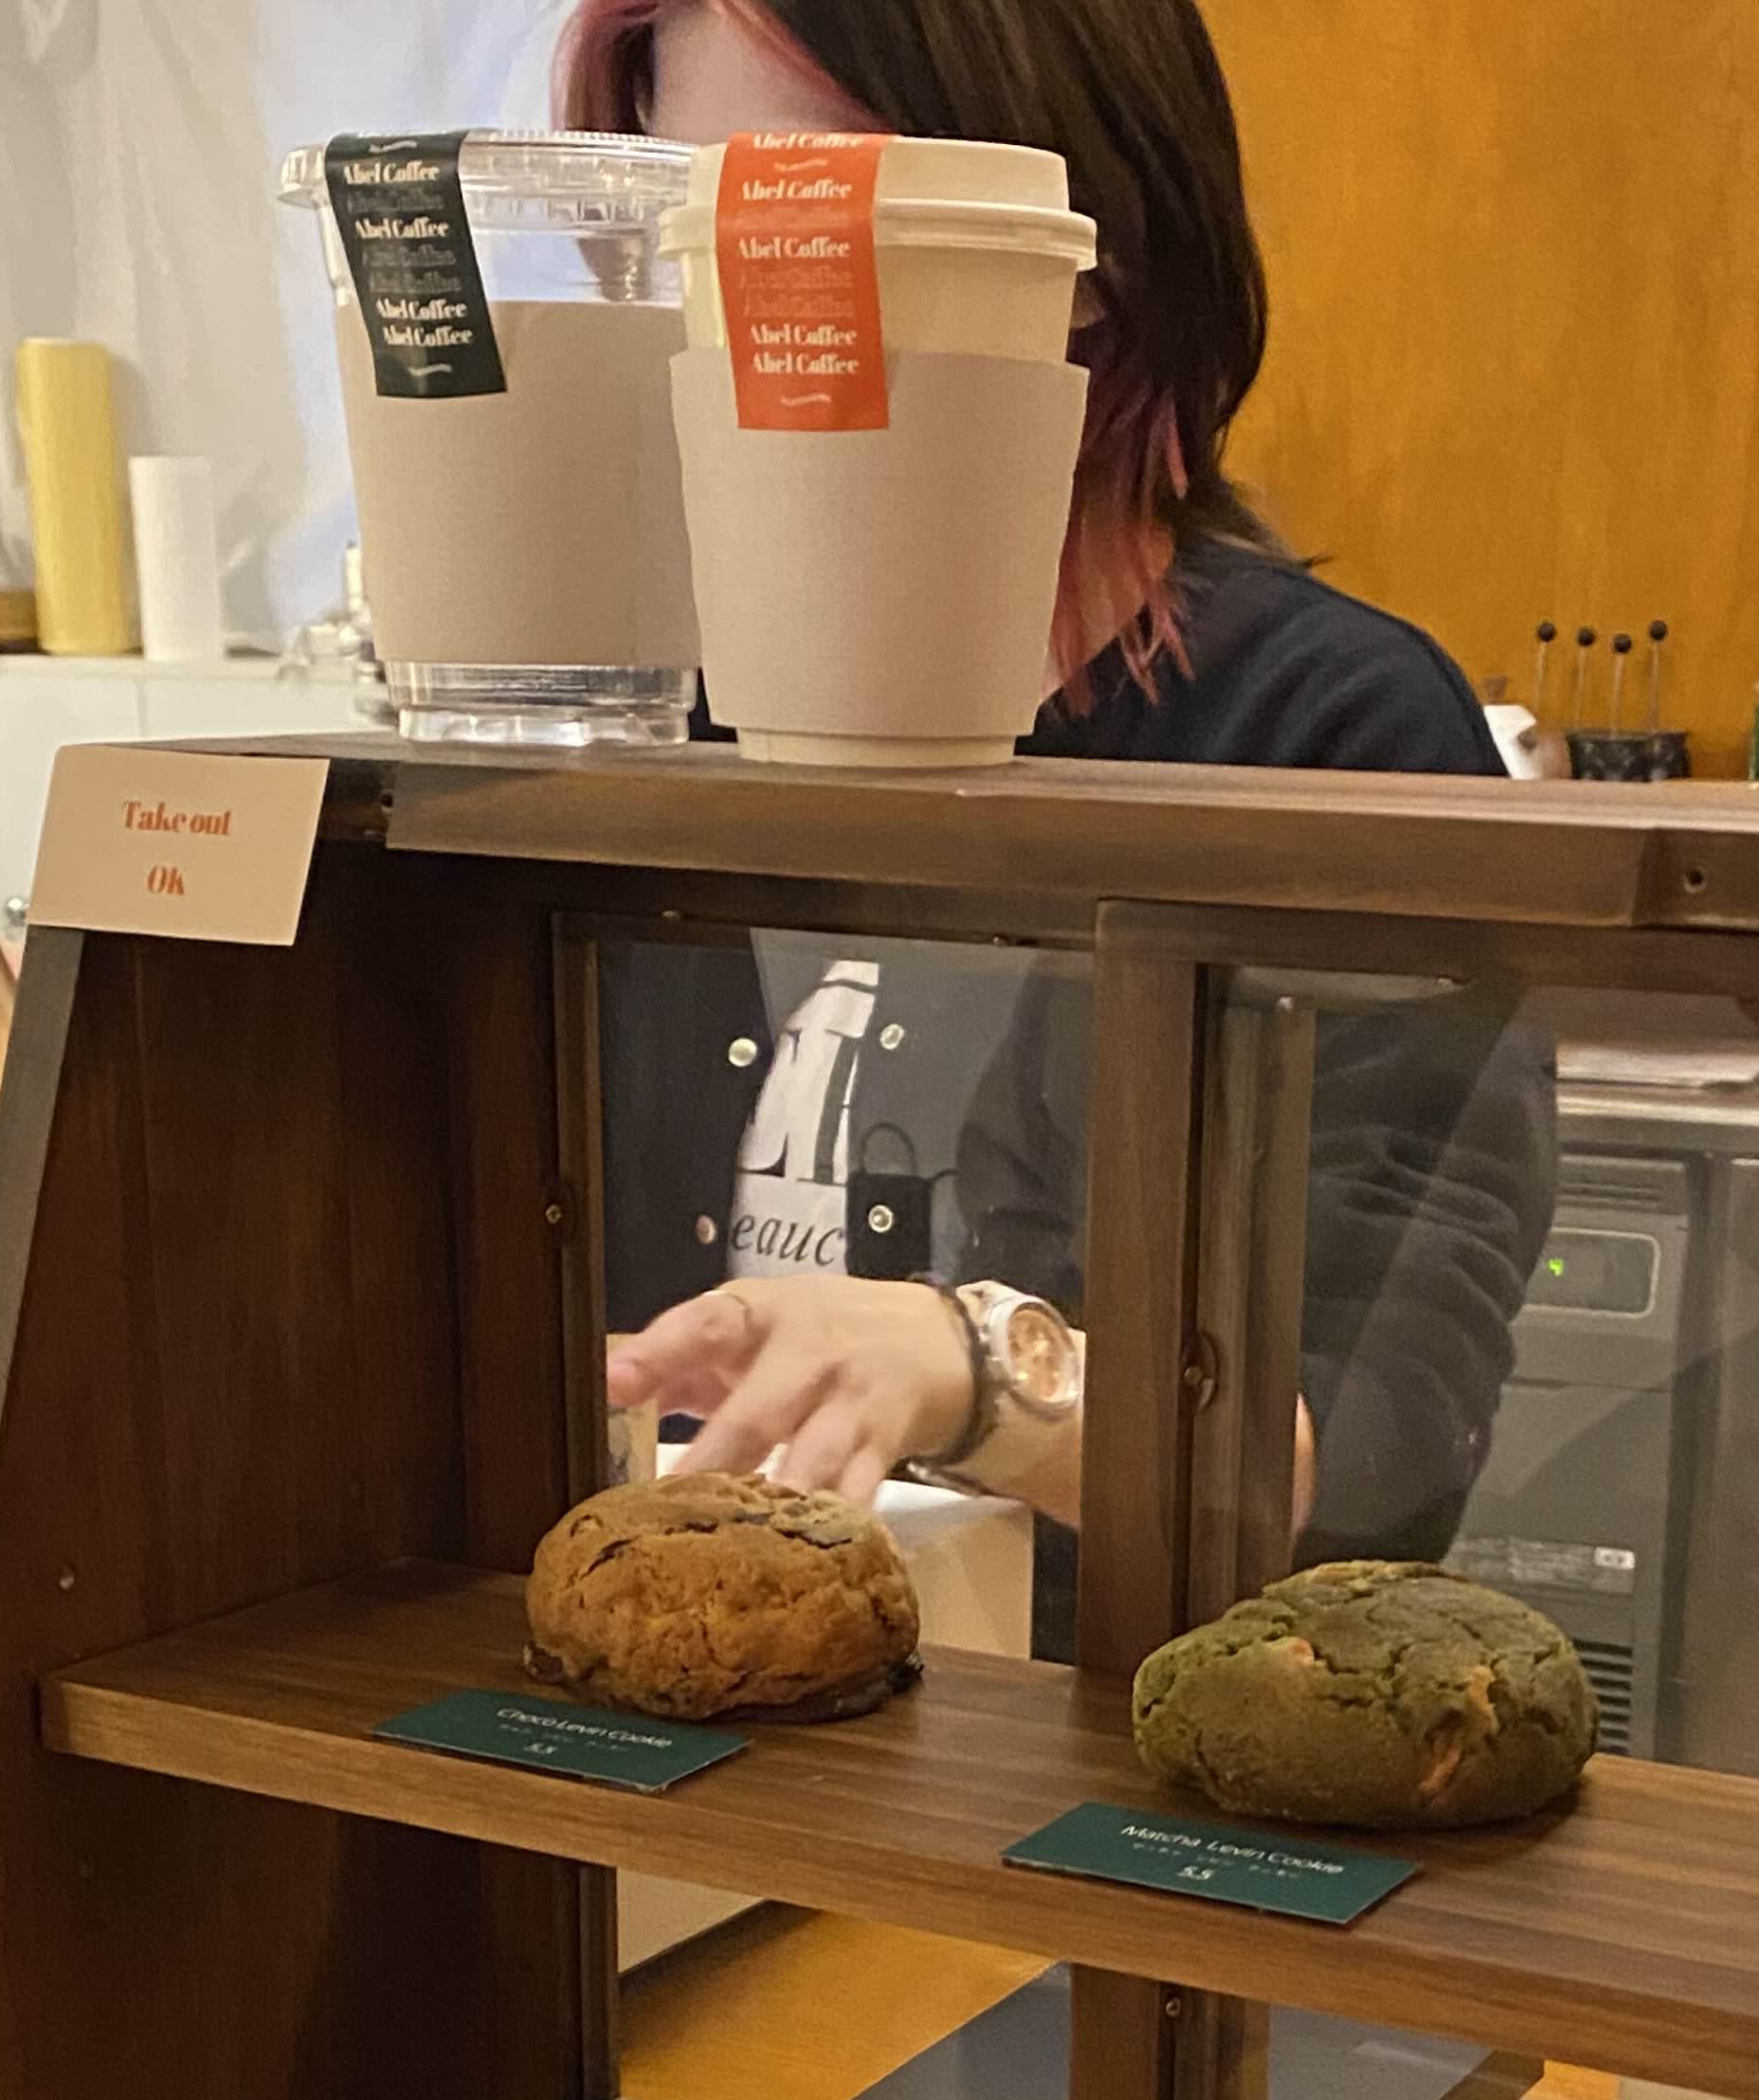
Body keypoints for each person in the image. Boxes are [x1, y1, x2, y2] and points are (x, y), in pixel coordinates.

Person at [566, 0, 1553, 1575]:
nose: (740, 308)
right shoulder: (646, 722)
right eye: (688, 220)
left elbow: (1367, 1432)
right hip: (682, 1671)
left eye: (810, 223)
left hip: (1107, 1712)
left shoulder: (1330, 731)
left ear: (1085, 254)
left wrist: (978, 1375)